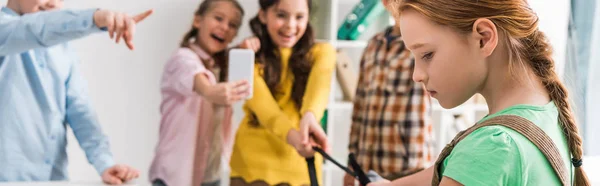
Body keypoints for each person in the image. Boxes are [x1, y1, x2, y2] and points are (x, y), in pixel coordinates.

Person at [369, 0, 590, 185]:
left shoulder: (491, 147)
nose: (416, 75)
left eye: (427, 54)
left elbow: (478, 163)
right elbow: (458, 169)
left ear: (483, 38)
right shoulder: (543, 112)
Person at [0, 0, 152, 184]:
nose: (53, 4)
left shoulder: (63, 48)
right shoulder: (4, 29)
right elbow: (35, 28)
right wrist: (96, 18)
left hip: (55, 179)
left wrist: (104, 164)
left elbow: (80, 111)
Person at [228, 0, 335, 185]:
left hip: (300, 169)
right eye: (281, 15)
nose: (291, 25)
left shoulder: (323, 53)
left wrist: (310, 117)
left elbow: (318, 92)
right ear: (263, 15)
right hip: (252, 168)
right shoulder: (250, 56)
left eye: (299, 17)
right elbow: (266, 111)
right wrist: (297, 140)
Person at [148, 0, 255, 186]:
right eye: (218, 18)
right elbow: (197, 77)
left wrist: (244, 51)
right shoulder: (181, 58)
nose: (224, 27)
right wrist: (210, 91)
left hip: (209, 175)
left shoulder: (220, 66)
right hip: (175, 176)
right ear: (198, 21)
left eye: (232, 25)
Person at [344, 0, 434, 185]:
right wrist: (351, 163)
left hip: (408, 165)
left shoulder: (425, 44)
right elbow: (359, 108)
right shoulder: (372, 45)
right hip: (368, 164)